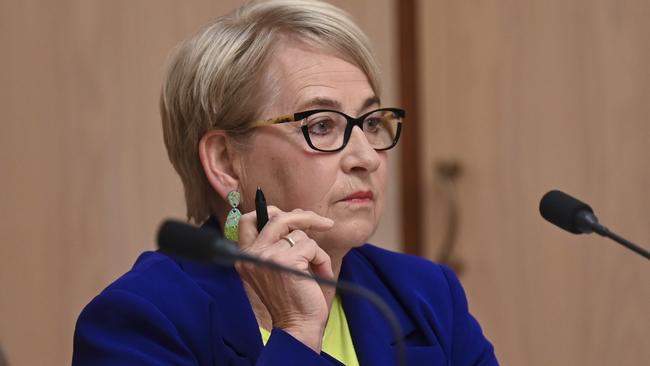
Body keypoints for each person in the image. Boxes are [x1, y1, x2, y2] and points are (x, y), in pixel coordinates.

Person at [72, 0, 498, 364]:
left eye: (370, 122)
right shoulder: (141, 321)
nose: (367, 156)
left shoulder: (426, 295)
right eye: (322, 124)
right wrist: (295, 333)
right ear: (225, 161)